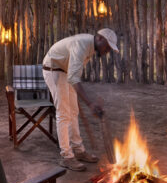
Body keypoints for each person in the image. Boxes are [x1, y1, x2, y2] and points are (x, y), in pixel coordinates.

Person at [42, 28, 120, 171]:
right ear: (100, 38)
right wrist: (90, 103)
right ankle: (66, 156)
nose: (107, 51)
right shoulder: (82, 45)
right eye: (107, 47)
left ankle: (78, 150)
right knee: (64, 114)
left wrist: (88, 101)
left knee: (74, 112)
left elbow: (74, 74)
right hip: (54, 70)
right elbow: (73, 77)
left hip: (65, 71)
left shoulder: (90, 47)